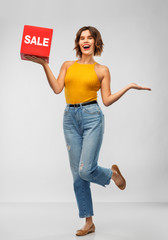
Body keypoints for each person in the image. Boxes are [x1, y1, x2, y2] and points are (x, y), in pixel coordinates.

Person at [25, 26, 151, 236]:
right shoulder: (67, 65)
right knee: (78, 176)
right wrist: (44, 65)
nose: (85, 41)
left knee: (86, 169)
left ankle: (111, 174)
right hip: (69, 119)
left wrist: (128, 87)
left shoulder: (102, 70)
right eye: (82, 38)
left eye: (89, 38)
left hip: (93, 117)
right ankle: (89, 222)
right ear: (78, 43)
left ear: (95, 42)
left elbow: (107, 100)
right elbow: (57, 89)